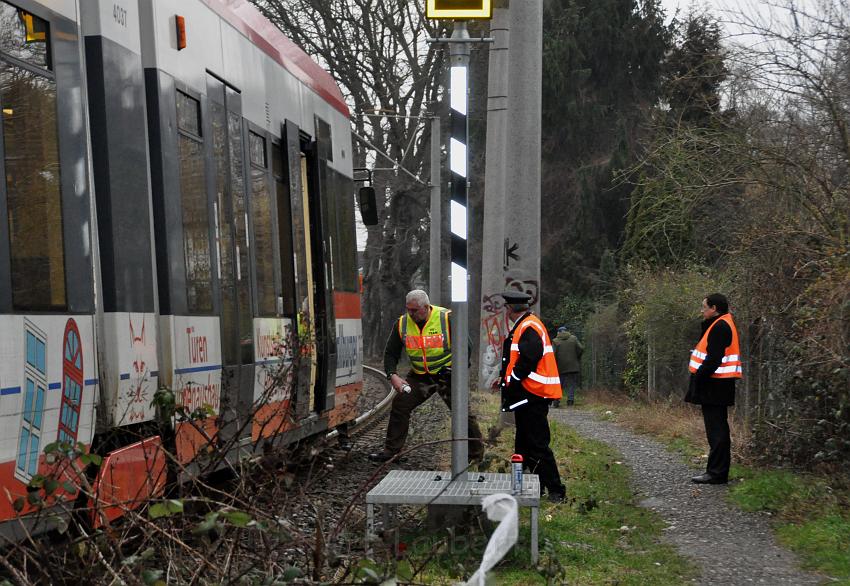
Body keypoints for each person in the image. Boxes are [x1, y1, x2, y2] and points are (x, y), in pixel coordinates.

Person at [369, 290, 484, 462]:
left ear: (426, 307)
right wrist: (392, 374)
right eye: (408, 309)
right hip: (420, 376)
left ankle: (476, 455)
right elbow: (391, 353)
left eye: (414, 310)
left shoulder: (446, 318)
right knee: (400, 405)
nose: (411, 314)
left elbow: (465, 346)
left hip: (447, 374)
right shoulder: (402, 324)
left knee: (463, 413)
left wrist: (457, 369)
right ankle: (392, 452)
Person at [498, 291, 567, 502]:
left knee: (536, 444)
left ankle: (555, 490)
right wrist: (505, 378)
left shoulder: (528, 327)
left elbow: (528, 360)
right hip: (529, 394)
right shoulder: (527, 324)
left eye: (507, 308)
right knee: (524, 443)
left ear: (510, 309)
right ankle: (529, 485)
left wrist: (513, 378)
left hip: (533, 393)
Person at [685, 293, 743, 484]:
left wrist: (699, 376)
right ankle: (716, 471)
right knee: (717, 429)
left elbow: (714, 359)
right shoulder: (722, 324)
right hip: (718, 385)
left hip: (715, 385)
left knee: (716, 430)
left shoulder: (720, 326)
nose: (702, 310)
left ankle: (716, 473)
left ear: (714, 308)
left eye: (704, 307)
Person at [553, 326, 583, 407]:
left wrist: (553, 365)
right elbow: (580, 348)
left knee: (559, 384)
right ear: (566, 331)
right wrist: (576, 357)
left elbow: (553, 354)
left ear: (558, 332)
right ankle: (570, 400)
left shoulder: (555, 341)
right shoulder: (573, 338)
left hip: (560, 366)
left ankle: (556, 400)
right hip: (573, 365)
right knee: (571, 383)